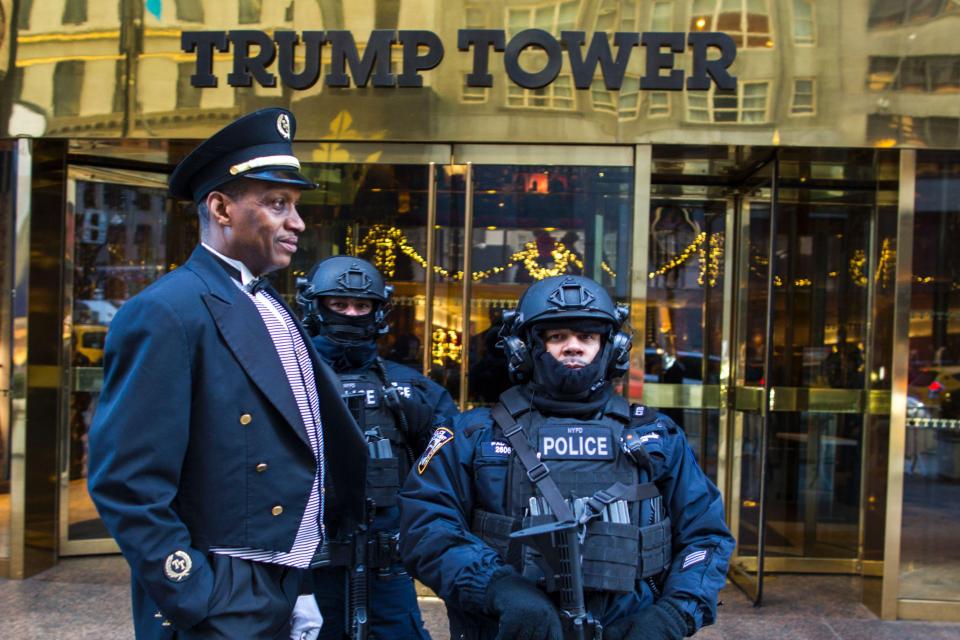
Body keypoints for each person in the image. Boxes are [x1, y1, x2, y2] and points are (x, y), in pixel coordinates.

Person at [87, 108, 368, 640]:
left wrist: (299, 580)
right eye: (278, 204)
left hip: (280, 579)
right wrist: (197, 593)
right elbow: (126, 482)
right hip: (220, 589)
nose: (297, 222)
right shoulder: (168, 310)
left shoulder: (276, 307)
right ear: (220, 207)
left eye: (296, 206)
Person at [399, 275, 734, 640]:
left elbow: (706, 535)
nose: (573, 346)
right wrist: (497, 588)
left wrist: (672, 615)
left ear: (612, 347)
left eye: (587, 337)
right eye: (557, 336)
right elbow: (425, 529)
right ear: (524, 348)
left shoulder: (656, 436)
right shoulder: (472, 435)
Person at [297, 256, 458, 639]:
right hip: (307, 572)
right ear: (315, 307)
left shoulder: (413, 391)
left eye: (361, 306)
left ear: (377, 311)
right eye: (339, 305)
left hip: (388, 570)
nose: (351, 314)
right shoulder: (286, 381)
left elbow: (446, 482)